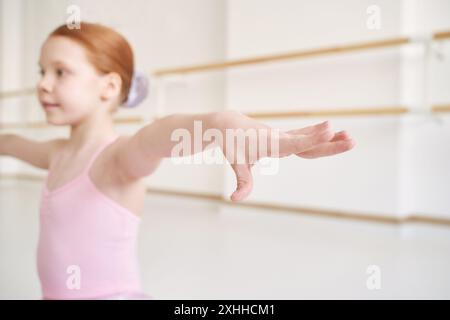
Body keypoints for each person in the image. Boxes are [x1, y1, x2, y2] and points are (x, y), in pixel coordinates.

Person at [0, 22, 355, 300]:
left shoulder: (115, 159)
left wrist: (221, 125)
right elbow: (11, 143)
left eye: (60, 72)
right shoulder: (56, 154)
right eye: (41, 71)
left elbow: (158, 136)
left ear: (108, 87)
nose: (43, 84)